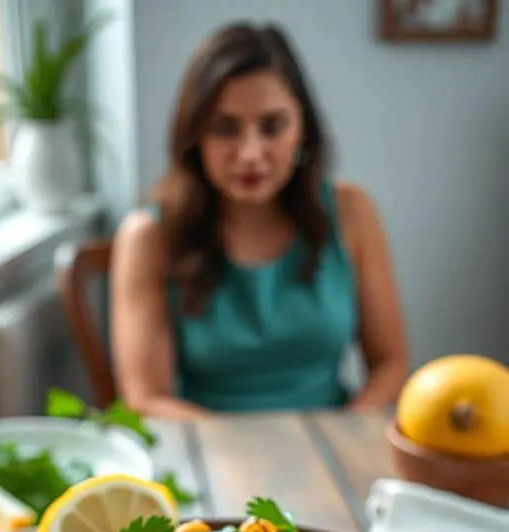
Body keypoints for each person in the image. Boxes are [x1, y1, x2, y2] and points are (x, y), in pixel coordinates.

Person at [111, 22, 408, 420]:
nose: (250, 153)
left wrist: (337, 438)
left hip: (333, 446)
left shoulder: (353, 212)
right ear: (194, 134)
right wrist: (252, 457)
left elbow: (390, 363)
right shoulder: (147, 237)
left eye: (272, 127)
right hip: (212, 456)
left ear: (303, 129)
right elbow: (146, 399)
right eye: (225, 128)